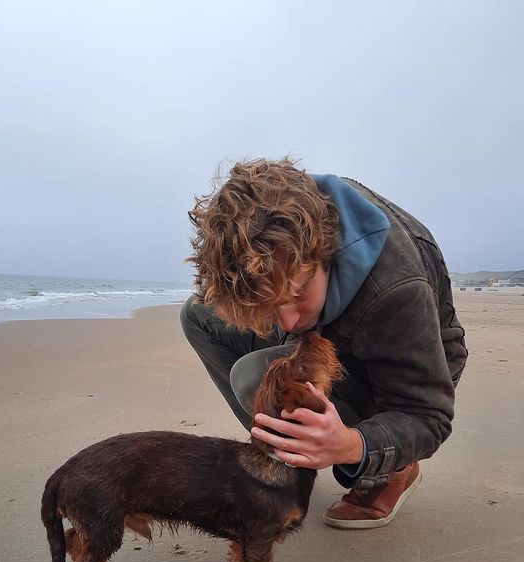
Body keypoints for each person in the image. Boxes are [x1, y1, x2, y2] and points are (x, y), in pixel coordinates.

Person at [180, 158, 467, 529]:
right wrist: (282, 301)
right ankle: (286, 450)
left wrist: (352, 445)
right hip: (334, 333)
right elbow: (280, 309)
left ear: (325, 251)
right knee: (198, 314)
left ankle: (389, 470)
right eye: (270, 307)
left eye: (297, 294)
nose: (286, 323)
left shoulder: (394, 289)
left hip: (405, 365)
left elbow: (429, 416)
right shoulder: (286, 220)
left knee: (254, 376)